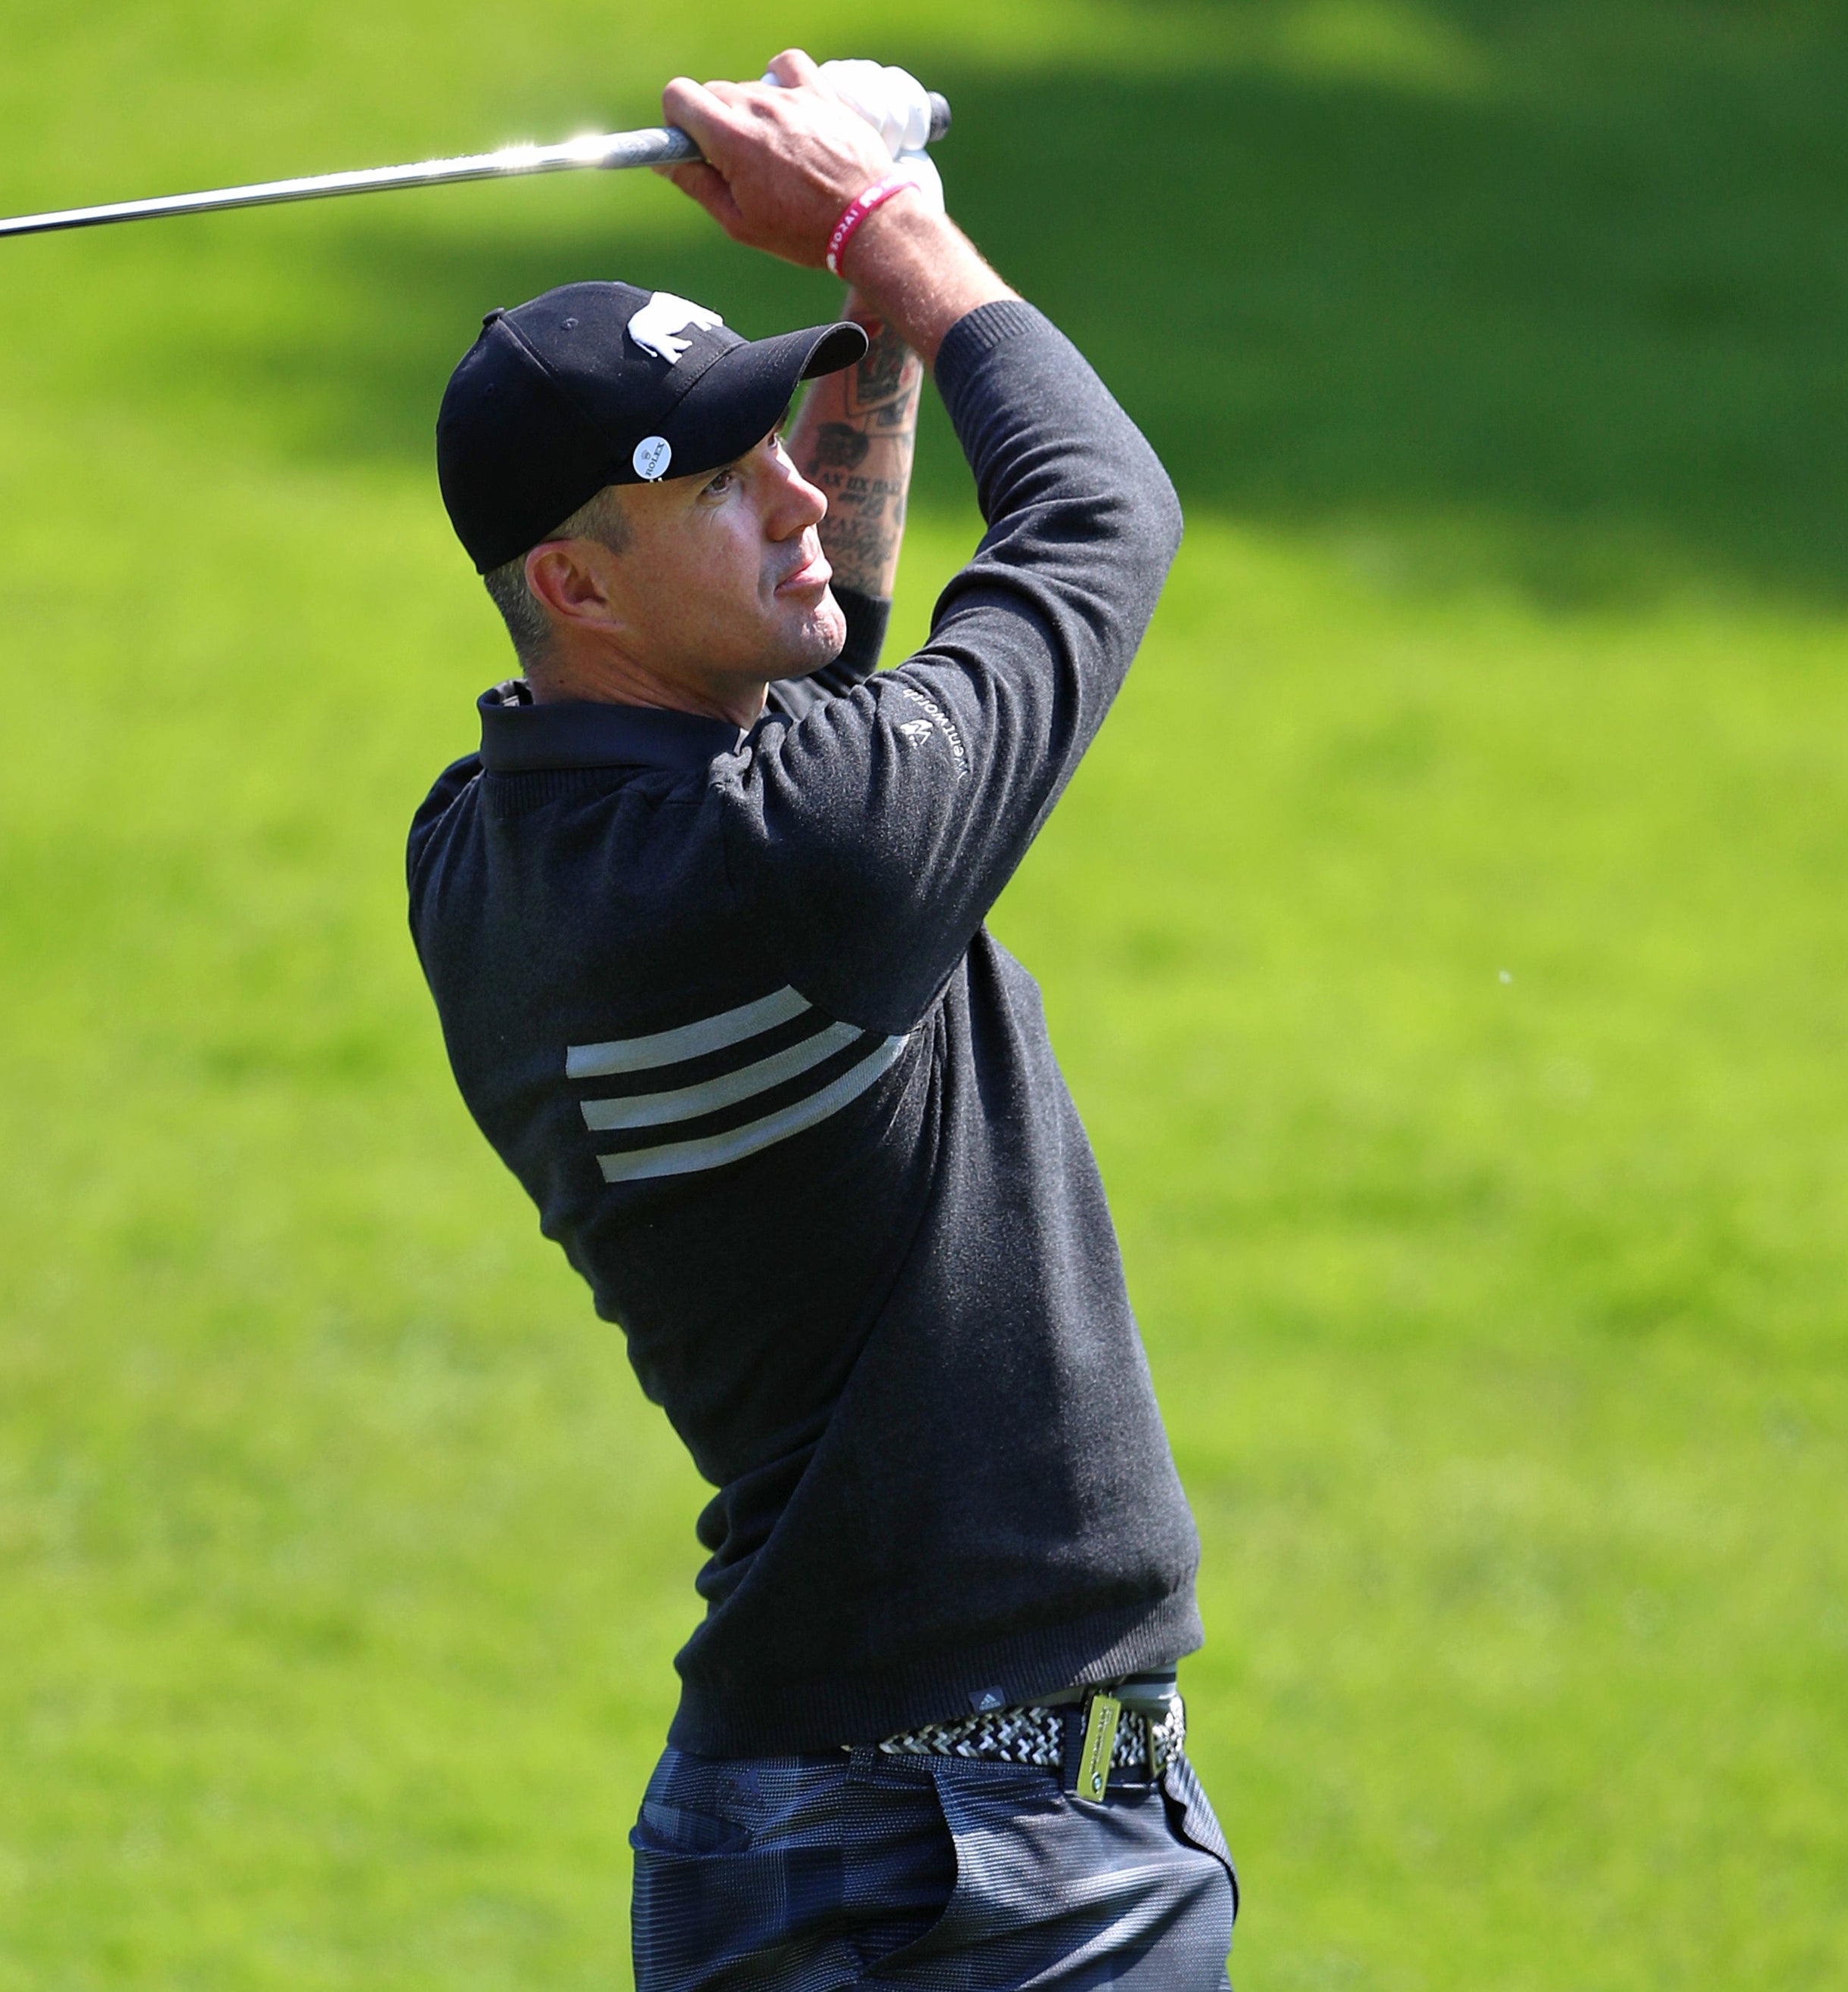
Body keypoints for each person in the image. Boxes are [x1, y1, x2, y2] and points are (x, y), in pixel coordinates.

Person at [409, 49, 1237, 1989]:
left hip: (817, 1826)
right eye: (714, 482)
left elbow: (819, 647)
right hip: (967, 1868)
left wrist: (861, 295)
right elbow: (1101, 515)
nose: (793, 498)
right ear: (568, 582)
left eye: (776, 442)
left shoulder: (486, 851)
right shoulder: (809, 858)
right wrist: (890, 229)